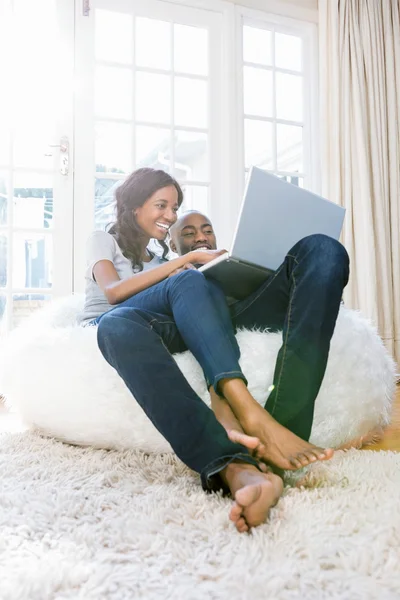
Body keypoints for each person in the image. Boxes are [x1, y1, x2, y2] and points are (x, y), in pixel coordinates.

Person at [77, 168, 335, 533]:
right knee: (150, 301)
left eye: (174, 206)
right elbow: (114, 293)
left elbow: (184, 302)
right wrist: (186, 262)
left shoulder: (160, 255)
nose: (170, 214)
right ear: (134, 206)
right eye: (161, 205)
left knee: (319, 251)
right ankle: (242, 424)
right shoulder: (103, 239)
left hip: (163, 321)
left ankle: (258, 450)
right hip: (117, 320)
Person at [169, 209, 350, 461]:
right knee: (193, 282)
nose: (201, 237)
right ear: (172, 244)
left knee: (324, 248)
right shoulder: (166, 271)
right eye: (189, 233)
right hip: (212, 318)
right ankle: (279, 438)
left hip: (252, 306)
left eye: (207, 230)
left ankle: (281, 427)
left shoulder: (229, 259)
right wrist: (178, 279)